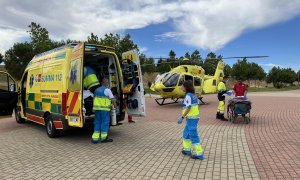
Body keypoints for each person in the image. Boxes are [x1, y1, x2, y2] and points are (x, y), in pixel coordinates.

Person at [178, 81, 204, 160]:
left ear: (186, 87)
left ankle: (199, 154)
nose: (181, 88)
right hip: (192, 118)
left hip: (191, 118)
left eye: (182, 86)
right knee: (186, 133)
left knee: (193, 135)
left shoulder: (188, 96)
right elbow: (198, 105)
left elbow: (188, 108)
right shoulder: (194, 95)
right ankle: (187, 149)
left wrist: (182, 117)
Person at [92, 78, 117, 143]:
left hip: (97, 110)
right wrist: (115, 106)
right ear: (106, 83)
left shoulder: (96, 90)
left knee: (97, 123)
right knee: (104, 123)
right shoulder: (107, 90)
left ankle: (95, 139)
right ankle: (103, 138)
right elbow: (113, 99)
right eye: (108, 83)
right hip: (105, 110)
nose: (108, 84)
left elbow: (94, 99)